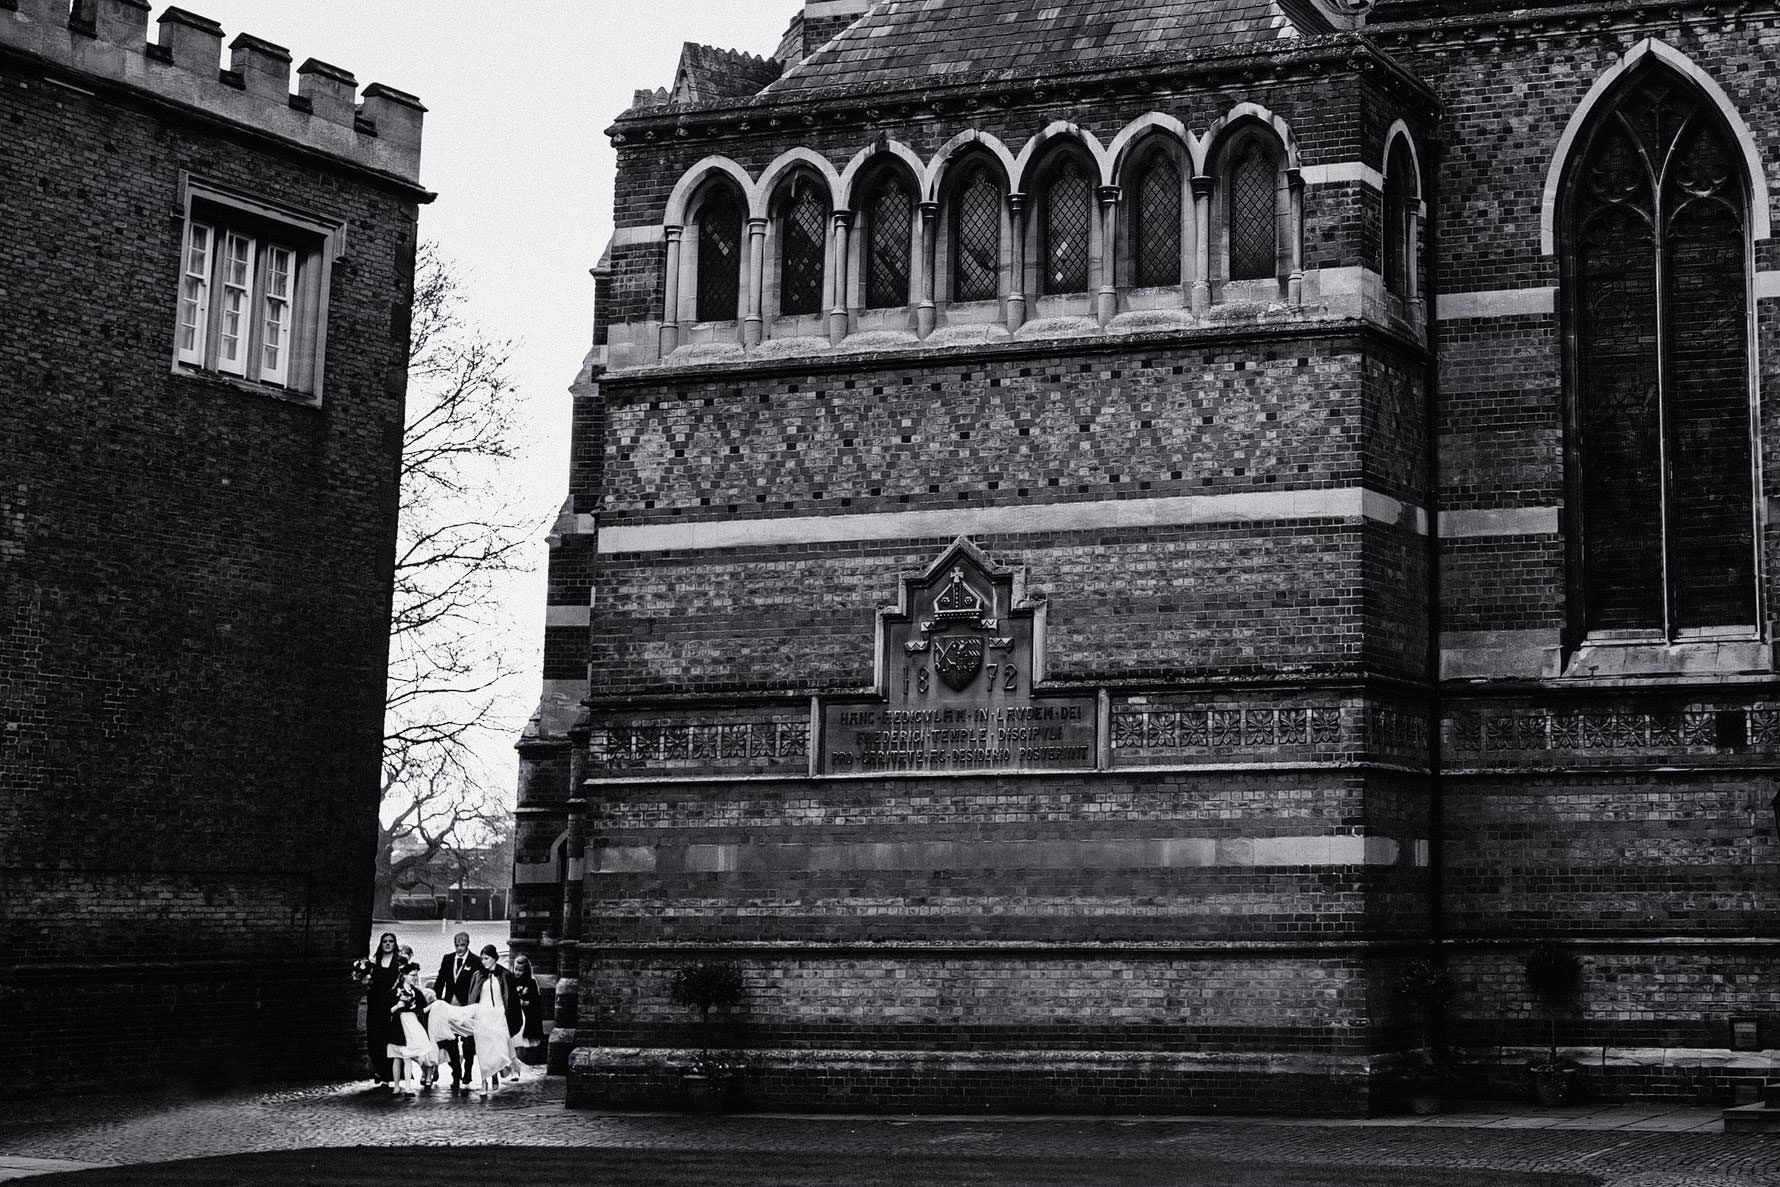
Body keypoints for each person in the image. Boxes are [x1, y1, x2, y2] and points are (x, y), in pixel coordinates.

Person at [465, 944, 517, 1096]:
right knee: (483, 1050)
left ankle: (499, 1070)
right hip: (483, 1015)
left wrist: (511, 1016)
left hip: (499, 1014)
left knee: (500, 1045)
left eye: (486, 958)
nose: (483, 961)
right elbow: (472, 995)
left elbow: (510, 997)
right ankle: (484, 1081)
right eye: (481, 959)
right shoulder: (477, 975)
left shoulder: (505, 974)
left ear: (495, 958)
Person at [431, 931, 478, 1096]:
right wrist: (437, 1000)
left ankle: (468, 1072)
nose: (459, 948)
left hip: (466, 1008)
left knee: (468, 1043)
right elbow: (440, 980)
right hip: (449, 1006)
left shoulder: (475, 961)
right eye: (457, 945)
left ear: (468, 944)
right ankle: (455, 1074)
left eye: (462, 945)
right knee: (449, 1042)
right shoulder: (447, 959)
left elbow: (477, 985)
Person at [385, 962, 438, 1095]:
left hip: (412, 1024)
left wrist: (433, 1006)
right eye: (412, 975)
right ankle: (396, 1085)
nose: (415, 978)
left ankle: (408, 1086)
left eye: (416, 975)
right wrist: (398, 1006)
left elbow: (422, 1009)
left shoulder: (417, 993)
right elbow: (387, 1010)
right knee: (396, 1057)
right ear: (404, 976)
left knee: (408, 1057)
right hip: (398, 1025)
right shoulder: (395, 992)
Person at [365, 932, 402, 1086]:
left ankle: (389, 1074)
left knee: (389, 1039)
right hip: (375, 1005)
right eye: (384, 941)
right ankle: (378, 1069)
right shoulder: (374, 962)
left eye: (391, 941)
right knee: (374, 1039)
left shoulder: (399, 962)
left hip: (391, 1005)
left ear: (395, 944)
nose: (387, 944)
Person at [510, 954, 544, 1071]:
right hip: (514, 1015)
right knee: (513, 1041)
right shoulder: (511, 981)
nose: (517, 972)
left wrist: (524, 1002)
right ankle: (513, 1065)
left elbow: (535, 1000)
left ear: (526, 971)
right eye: (516, 969)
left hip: (526, 1016)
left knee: (521, 1042)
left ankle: (518, 1066)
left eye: (520, 970)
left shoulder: (531, 982)